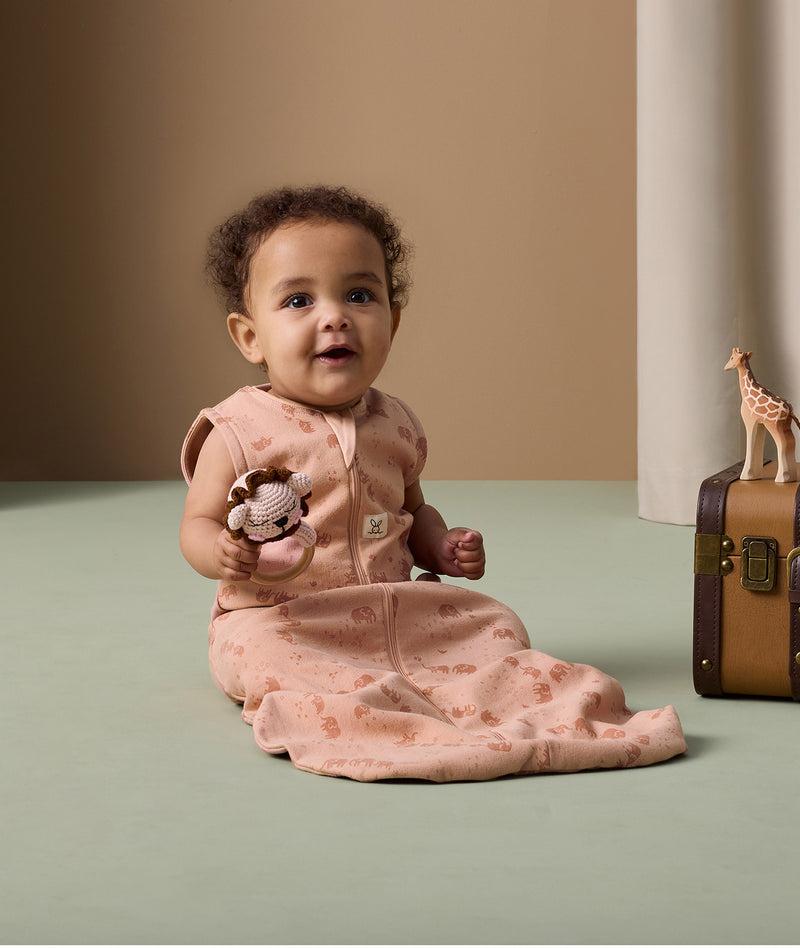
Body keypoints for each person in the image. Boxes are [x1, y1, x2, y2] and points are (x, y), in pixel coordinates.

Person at [180, 185, 686, 782]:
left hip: (396, 607)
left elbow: (411, 511)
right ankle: (356, 709)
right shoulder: (237, 429)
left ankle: (462, 697)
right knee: (259, 652)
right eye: (297, 300)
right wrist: (221, 551)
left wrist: (440, 546)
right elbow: (198, 524)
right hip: (288, 614)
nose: (334, 315)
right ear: (249, 337)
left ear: (392, 320)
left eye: (359, 294)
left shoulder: (395, 424)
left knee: (495, 623)